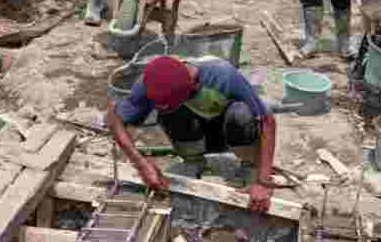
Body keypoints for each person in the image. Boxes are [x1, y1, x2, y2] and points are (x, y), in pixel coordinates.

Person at [106, 56, 278, 213]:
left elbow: (267, 121)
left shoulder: (222, 74)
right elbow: (114, 119)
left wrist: (263, 181)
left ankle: (249, 166)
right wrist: (141, 163)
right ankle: (193, 161)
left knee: (240, 113)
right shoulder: (151, 81)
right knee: (171, 113)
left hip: (232, 133)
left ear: (193, 86)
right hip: (197, 135)